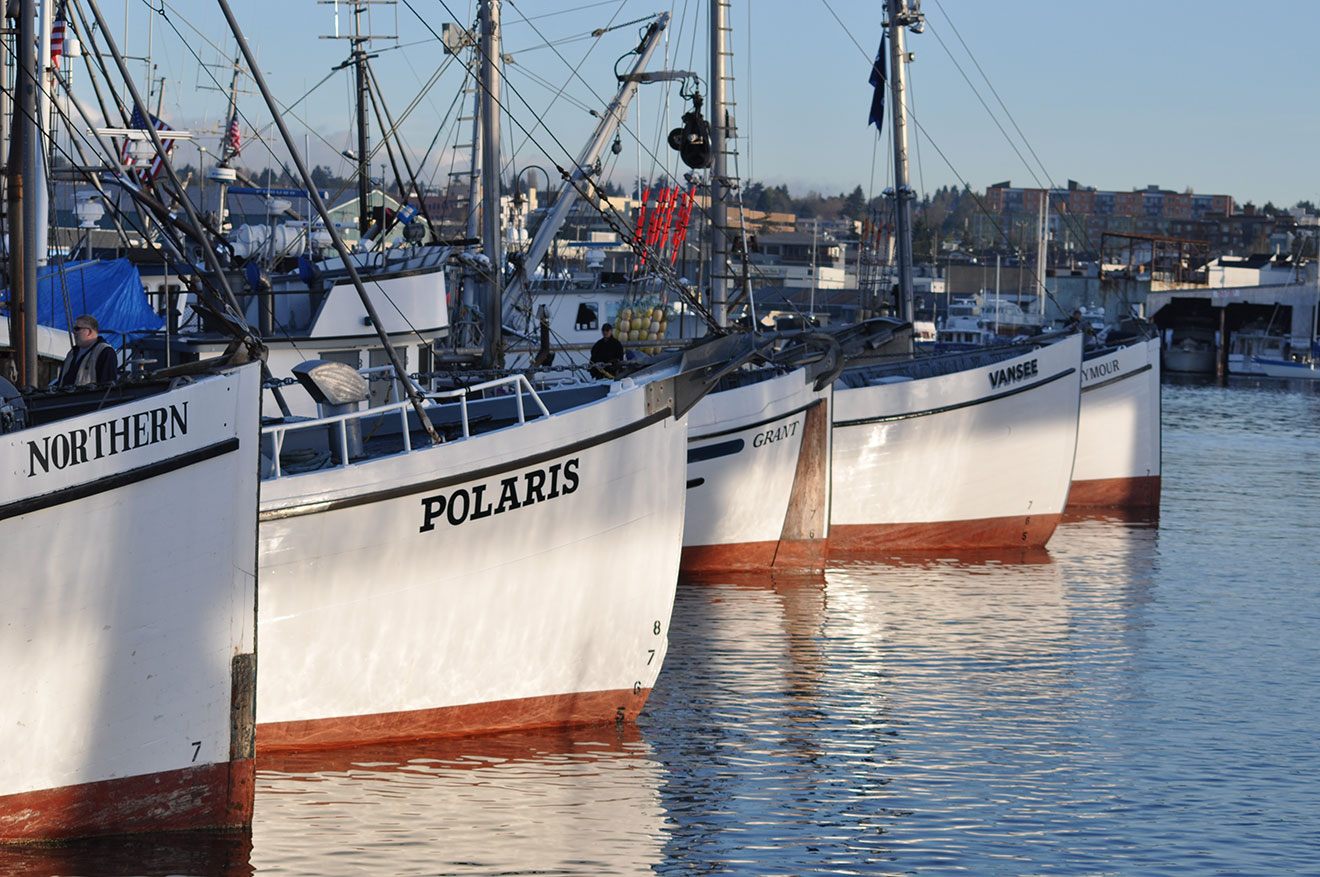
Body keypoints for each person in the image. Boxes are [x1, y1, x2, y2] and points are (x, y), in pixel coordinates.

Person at [57, 314, 118, 386]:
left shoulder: (105, 352)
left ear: (89, 332)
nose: (74, 332)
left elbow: (108, 386)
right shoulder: (72, 353)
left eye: (77, 329)